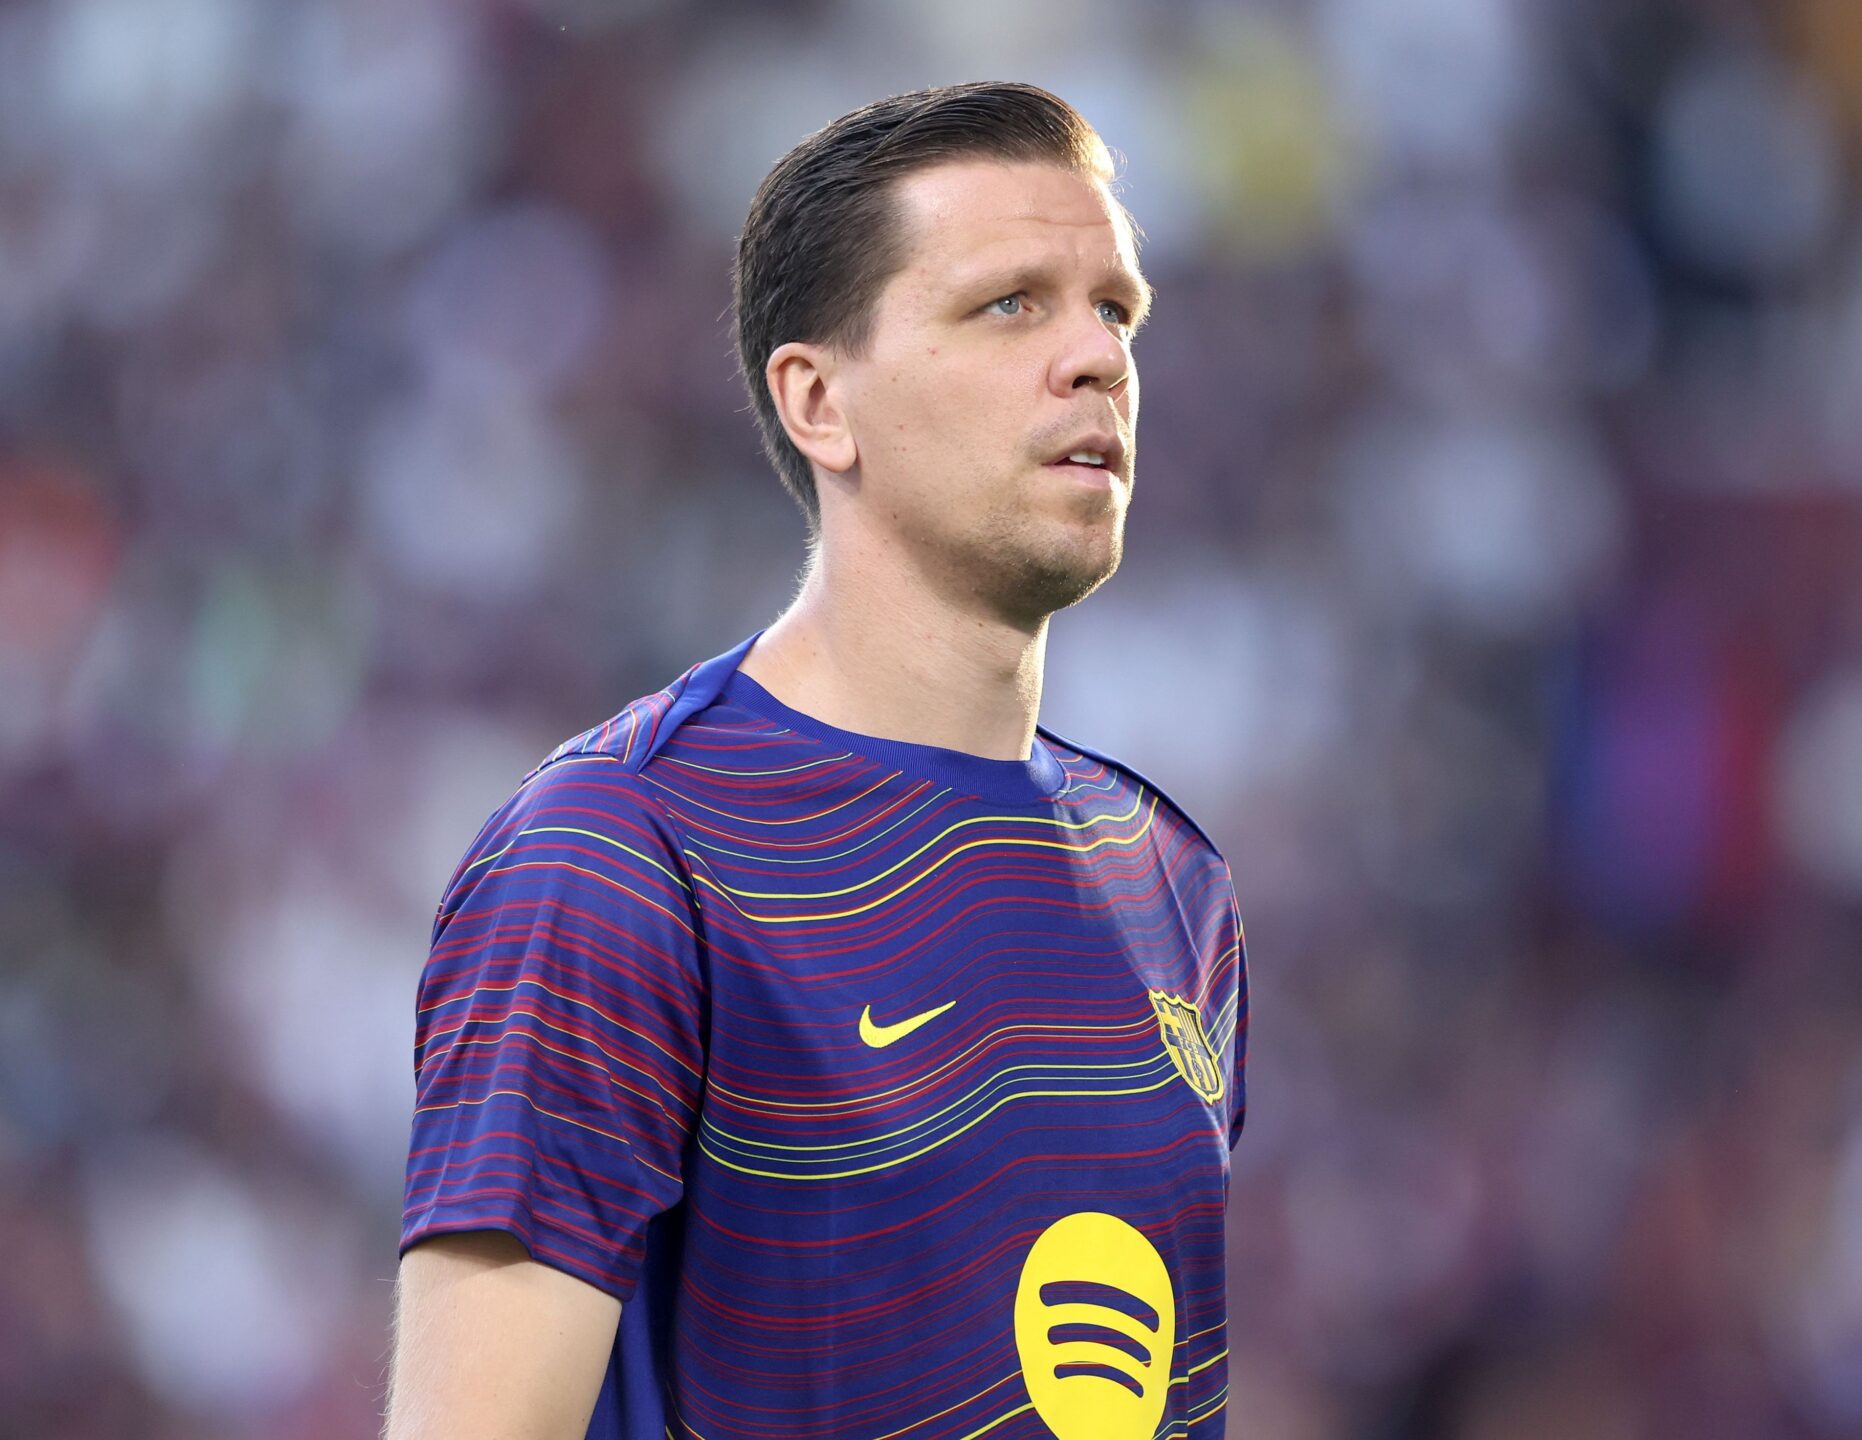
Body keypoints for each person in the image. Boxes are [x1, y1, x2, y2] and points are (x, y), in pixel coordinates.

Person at [384, 80, 1246, 1440]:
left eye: (1115, 311)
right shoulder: (618, 855)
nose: (1095, 357)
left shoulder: (1173, 882)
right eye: (1009, 304)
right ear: (819, 403)